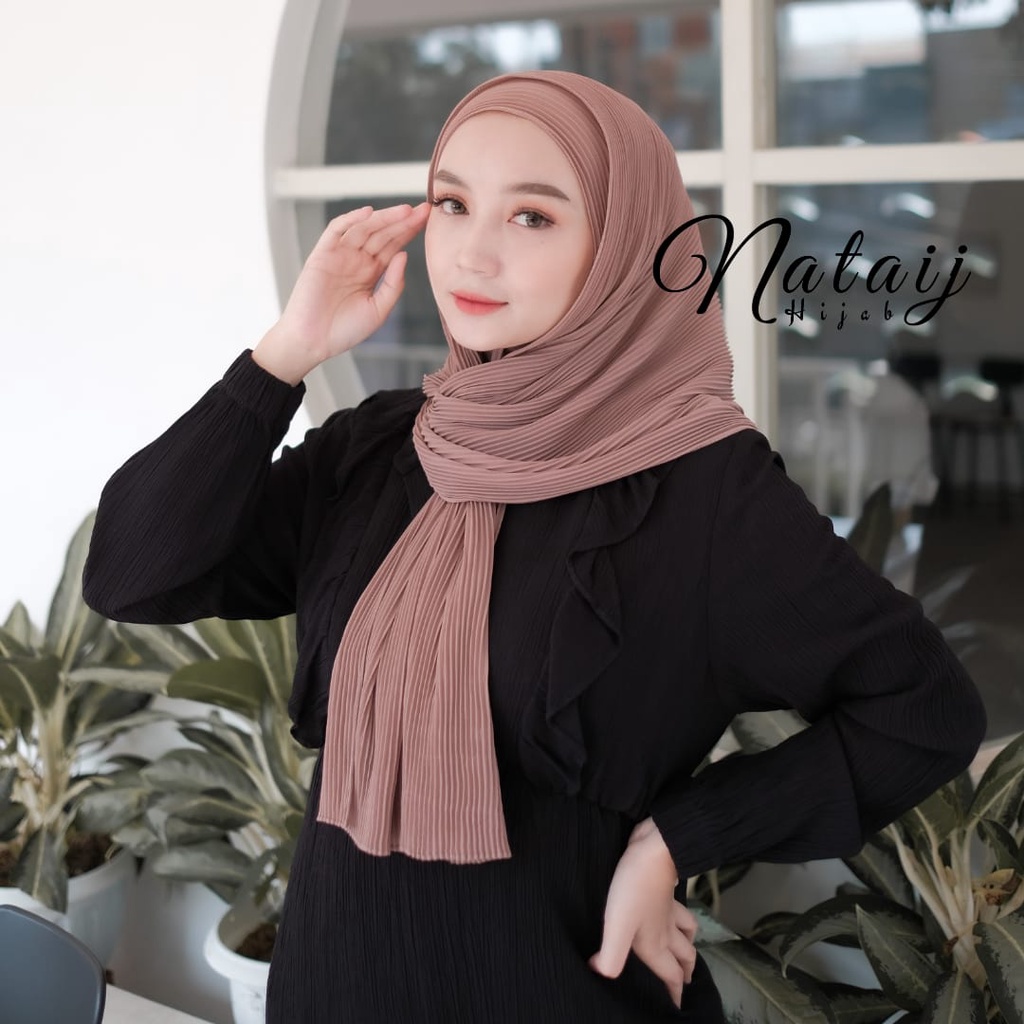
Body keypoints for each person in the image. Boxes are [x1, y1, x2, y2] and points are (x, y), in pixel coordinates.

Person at [82, 71, 986, 1023]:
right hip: (332, 988)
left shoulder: (703, 488)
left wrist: (676, 841)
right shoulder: (381, 449)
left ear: (625, 246)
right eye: (452, 203)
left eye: (533, 217)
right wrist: (285, 354)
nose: (472, 253)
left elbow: (921, 708)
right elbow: (133, 575)